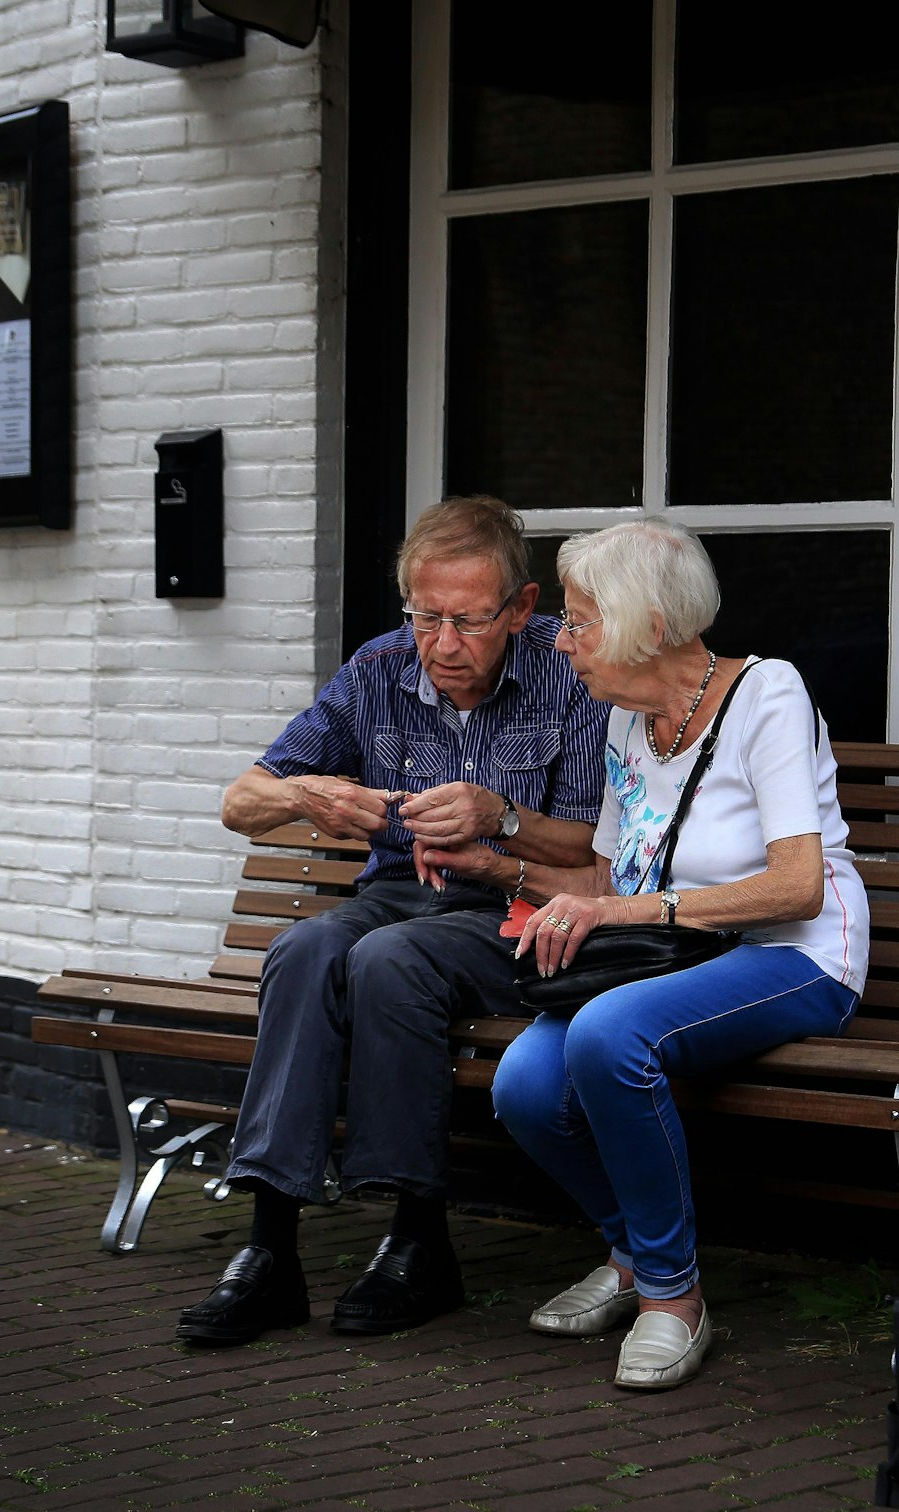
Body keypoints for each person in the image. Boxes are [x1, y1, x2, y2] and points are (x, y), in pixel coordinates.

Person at [419, 519, 869, 1390]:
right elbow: (606, 872)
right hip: (674, 958)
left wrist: (636, 905)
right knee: (524, 1085)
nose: (562, 640)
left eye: (581, 620)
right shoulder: (629, 726)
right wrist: (502, 865)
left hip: (798, 954)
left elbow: (800, 884)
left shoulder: (767, 695)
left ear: (649, 625)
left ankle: (673, 1293)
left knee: (608, 1036)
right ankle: (631, 1251)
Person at [176, 496, 608, 1347]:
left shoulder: (571, 675)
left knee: (391, 958)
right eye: (425, 617)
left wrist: (500, 817)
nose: (443, 645)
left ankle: (418, 1238)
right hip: (395, 900)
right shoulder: (376, 669)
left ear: (521, 609)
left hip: (517, 906)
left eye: (469, 621)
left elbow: (601, 850)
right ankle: (270, 1250)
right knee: (304, 947)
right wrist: (309, 793)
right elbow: (240, 802)